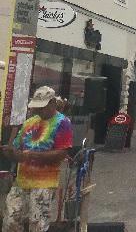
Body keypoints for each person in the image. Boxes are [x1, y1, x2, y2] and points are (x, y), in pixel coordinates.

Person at [1, 86, 72, 232]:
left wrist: (30, 155)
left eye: (42, 108)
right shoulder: (30, 122)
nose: (38, 111)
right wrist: (10, 152)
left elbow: (61, 153)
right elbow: (17, 148)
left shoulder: (62, 122)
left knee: (38, 224)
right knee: (11, 221)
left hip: (44, 183)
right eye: (37, 108)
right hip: (22, 181)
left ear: (52, 103)